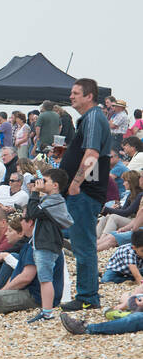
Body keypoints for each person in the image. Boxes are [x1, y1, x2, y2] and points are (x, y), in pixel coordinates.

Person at [60, 79, 113, 310]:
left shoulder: (93, 117)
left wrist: (75, 183)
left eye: (75, 93)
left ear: (89, 96)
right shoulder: (92, 118)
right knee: (83, 244)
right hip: (85, 191)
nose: (71, 96)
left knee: (83, 246)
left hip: (84, 191)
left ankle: (88, 297)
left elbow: (92, 153)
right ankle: (87, 294)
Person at [23, 169, 73, 322]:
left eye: (45, 180)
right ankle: (46, 311)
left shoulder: (54, 201)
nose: (41, 183)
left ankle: (47, 313)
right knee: (45, 278)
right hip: (47, 243)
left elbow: (32, 212)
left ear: (55, 185)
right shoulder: (52, 200)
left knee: (45, 279)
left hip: (47, 244)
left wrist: (34, 193)